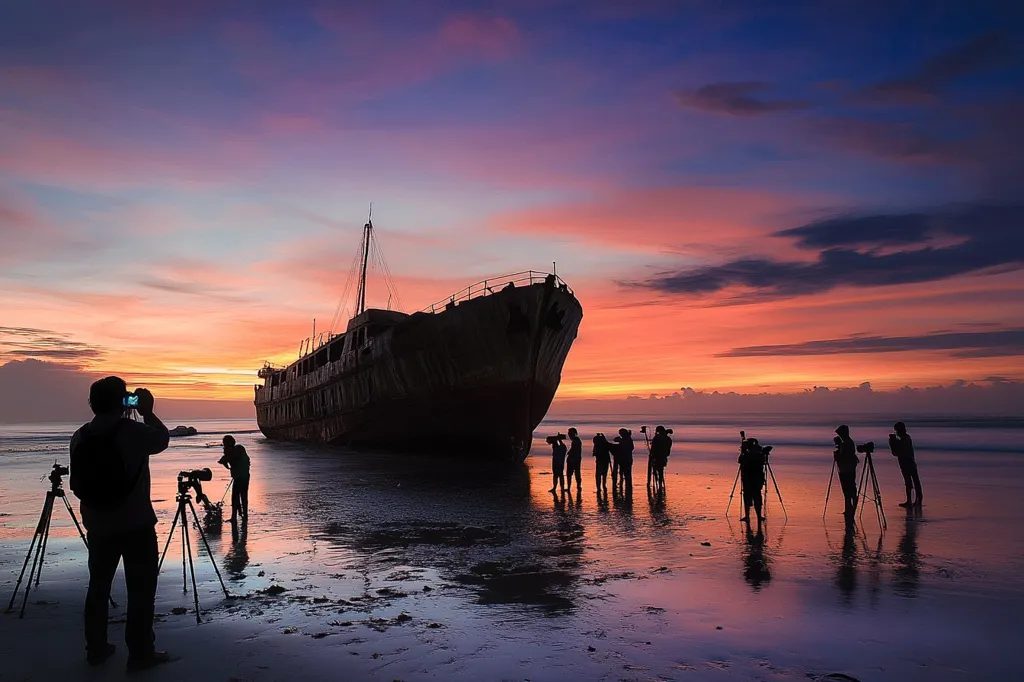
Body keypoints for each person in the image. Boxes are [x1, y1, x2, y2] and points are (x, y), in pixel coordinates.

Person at [70, 377, 170, 671]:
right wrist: (148, 412)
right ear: (123, 401)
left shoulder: (79, 436)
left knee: (98, 588)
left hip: (98, 525)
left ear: (92, 403)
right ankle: (140, 654)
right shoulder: (133, 431)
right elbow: (162, 439)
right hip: (135, 524)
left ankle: (96, 648)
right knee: (141, 591)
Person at [889, 421, 923, 508]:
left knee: (911, 482)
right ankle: (913, 500)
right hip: (907, 461)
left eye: (896, 430)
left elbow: (896, 452)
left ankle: (915, 500)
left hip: (907, 461)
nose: (895, 432)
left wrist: (893, 442)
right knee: (912, 481)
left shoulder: (905, 439)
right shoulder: (906, 437)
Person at [219, 435, 251, 524]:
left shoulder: (235, 450)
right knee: (242, 496)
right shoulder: (239, 449)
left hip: (240, 477)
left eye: (224, 444)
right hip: (244, 476)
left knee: (236, 497)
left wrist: (226, 458)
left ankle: (236, 517)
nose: (224, 446)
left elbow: (226, 460)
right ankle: (243, 515)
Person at [738, 436, 766, 526]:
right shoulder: (759, 453)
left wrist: (743, 452)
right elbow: (763, 461)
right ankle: (758, 516)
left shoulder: (748, 454)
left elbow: (740, 461)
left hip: (748, 479)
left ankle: (747, 516)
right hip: (757, 479)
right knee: (757, 497)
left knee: (748, 497)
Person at [834, 425, 859, 523]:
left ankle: (849, 508)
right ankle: (849, 508)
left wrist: (837, 454)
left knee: (847, 489)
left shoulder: (846, 443)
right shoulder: (849, 442)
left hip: (845, 469)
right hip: (849, 468)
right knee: (850, 488)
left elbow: (842, 456)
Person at [649, 426, 672, 492]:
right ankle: (660, 483)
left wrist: (652, 455)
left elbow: (653, 448)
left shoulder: (657, 438)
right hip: (663, 456)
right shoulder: (667, 439)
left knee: (658, 470)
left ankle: (659, 483)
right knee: (660, 470)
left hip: (658, 456)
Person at [612, 428, 634, 494]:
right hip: (626, 459)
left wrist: (620, 441)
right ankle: (625, 486)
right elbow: (615, 440)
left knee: (626, 474)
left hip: (625, 459)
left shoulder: (626, 440)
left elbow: (628, 448)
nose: (620, 435)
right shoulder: (627, 439)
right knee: (626, 473)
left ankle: (627, 486)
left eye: (621, 433)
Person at [565, 427, 583, 495]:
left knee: (572, 474)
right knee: (576, 473)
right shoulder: (576, 440)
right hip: (576, 459)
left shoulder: (576, 440)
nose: (569, 435)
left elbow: (575, 450)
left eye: (570, 433)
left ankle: (575, 487)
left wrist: (571, 456)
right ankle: (576, 487)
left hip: (574, 459)